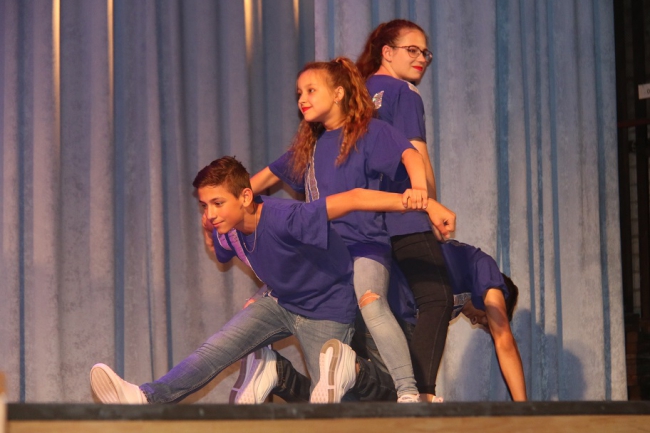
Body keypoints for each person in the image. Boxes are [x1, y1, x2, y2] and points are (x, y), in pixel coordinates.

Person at [89, 156, 456, 405]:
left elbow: (355, 198)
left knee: (337, 405)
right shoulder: (228, 231)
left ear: (245, 196)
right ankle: (145, 396)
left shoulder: (286, 217)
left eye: (217, 203)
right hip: (280, 303)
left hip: (327, 308)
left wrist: (426, 204)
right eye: (204, 206)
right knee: (215, 349)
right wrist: (208, 231)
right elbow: (221, 251)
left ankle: (347, 368)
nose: (210, 214)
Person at [247, 57, 431, 402]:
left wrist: (419, 189)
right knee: (257, 305)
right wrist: (233, 203)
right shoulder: (309, 147)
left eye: (311, 90)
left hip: (363, 246)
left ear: (338, 93)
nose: (302, 99)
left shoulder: (370, 132)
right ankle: (268, 369)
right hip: (321, 251)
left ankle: (408, 392)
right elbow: (258, 182)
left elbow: (410, 155)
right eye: (299, 93)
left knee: (372, 304)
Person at [233, 240, 527, 403]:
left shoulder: (456, 298)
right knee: (397, 397)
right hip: (389, 312)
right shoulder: (483, 267)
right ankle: (355, 369)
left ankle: (278, 374)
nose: (478, 322)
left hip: (362, 309)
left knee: (344, 407)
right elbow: (504, 339)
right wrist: (525, 410)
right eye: (484, 320)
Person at [354, 19, 454, 402]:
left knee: (377, 312)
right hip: (403, 210)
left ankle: (383, 392)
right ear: (387, 52)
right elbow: (417, 156)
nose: (421, 58)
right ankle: (419, 394)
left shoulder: (359, 93)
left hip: (364, 220)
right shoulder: (403, 92)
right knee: (436, 297)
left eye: (425, 52)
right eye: (412, 50)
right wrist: (430, 205)